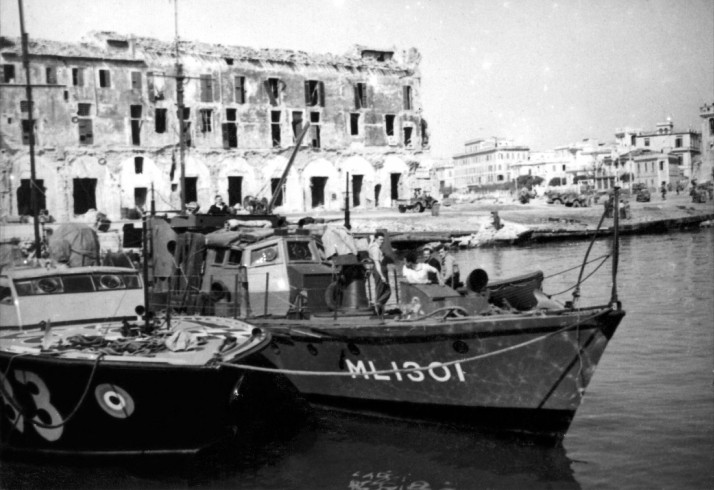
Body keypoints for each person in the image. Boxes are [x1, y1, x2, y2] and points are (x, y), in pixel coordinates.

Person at [368, 231, 391, 316]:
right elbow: (377, 263)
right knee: (386, 291)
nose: (382, 241)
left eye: (383, 239)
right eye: (380, 239)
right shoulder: (376, 249)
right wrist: (382, 276)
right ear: (376, 239)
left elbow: (369, 247)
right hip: (379, 269)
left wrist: (371, 240)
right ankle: (378, 306)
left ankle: (379, 310)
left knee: (380, 290)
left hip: (378, 269)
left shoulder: (372, 246)